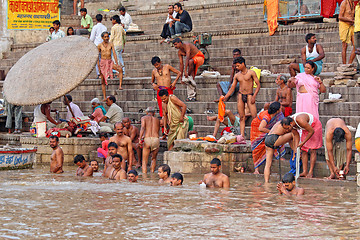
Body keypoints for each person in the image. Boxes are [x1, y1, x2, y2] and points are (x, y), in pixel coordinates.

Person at [223, 57, 261, 138]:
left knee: (254, 116)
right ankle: (242, 135)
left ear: (243, 64)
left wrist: (254, 96)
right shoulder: (237, 75)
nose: (237, 68)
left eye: (238, 66)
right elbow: (232, 87)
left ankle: (257, 134)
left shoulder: (251, 73)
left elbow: (258, 85)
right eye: (236, 66)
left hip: (250, 95)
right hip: (240, 95)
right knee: (242, 117)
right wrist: (226, 96)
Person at [250, 102, 284, 174]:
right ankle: (257, 169)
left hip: (268, 129)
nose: (281, 108)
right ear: (277, 110)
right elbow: (261, 128)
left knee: (277, 138)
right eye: (280, 107)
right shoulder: (267, 117)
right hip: (257, 128)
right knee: (257, 147)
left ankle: (279, 155)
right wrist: (272, 131)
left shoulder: (279, 115)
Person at [264, 117, 300, 183]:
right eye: (286, 128)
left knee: (268, 164)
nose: (287, 130)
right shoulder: (288, 126)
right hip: (274, 138)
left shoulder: (280, 123)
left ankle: (266, 183)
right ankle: (295, 152)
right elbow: (295, 135)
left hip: (267, 139)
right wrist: (295, 150)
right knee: (292, 135)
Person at [291, 112, 323, 178]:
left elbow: (311, 131)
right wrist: (296, 148)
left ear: (291, 123)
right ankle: (304, 171)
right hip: (306, 129)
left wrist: (303, 142)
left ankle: (310, 172)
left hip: (315, 127)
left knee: (312, 149)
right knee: (303, 149)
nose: (288, 129)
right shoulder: (290, 125)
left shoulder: (300, 120)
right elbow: (296, 136)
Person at [97, 32, 122, 99]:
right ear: (102, 38)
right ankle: (104, 97)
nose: (106, 38)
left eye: (107, 36)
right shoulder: (99, 45)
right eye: (105, 37)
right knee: (103, 80)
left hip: (110, 61)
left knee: (120, 70)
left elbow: (114, 53)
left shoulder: (111, 44)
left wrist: (117, 63)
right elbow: (97, 56)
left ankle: (120, 86)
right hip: (103, 62)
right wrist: (98, 66)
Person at [139, 107, 160, 173]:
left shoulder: (144, 118)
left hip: (147, 139)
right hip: (156, 139)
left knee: (144, 161)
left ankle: (144, 177)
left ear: (146, 112)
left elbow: (142, 128)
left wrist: (140, 139)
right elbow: (158, 130)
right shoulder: (157, 120)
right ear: (154, 113)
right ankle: (152, 174)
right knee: (153, 159)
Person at [90, 14, 107, 78]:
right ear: (102, 19)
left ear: (96, 19)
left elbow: (92, 38)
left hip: (97, 45)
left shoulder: (95, 27)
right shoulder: (104, 27)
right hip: (103, 45)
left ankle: (99, 74)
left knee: (98, 61)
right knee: (103, 60)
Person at [339, 0, 356, 64]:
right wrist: (351, 20)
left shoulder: (353, 4)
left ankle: (349, 63)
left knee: (356, 45)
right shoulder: (344, 2)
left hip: (351, 26)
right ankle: (344, 64)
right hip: (344, 25)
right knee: (345, 46)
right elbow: (340, 17)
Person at [110, 15, 126, 80]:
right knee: (120, 57)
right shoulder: (121, 27)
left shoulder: (113, 28)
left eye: (112, 20)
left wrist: (108, 44)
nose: (112, 21)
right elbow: (124, 34)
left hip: (115, 45)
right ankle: (123, 71)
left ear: (115, 20)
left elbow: (112, 37)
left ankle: (118, 71)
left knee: (115, 59)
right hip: (120, 45)